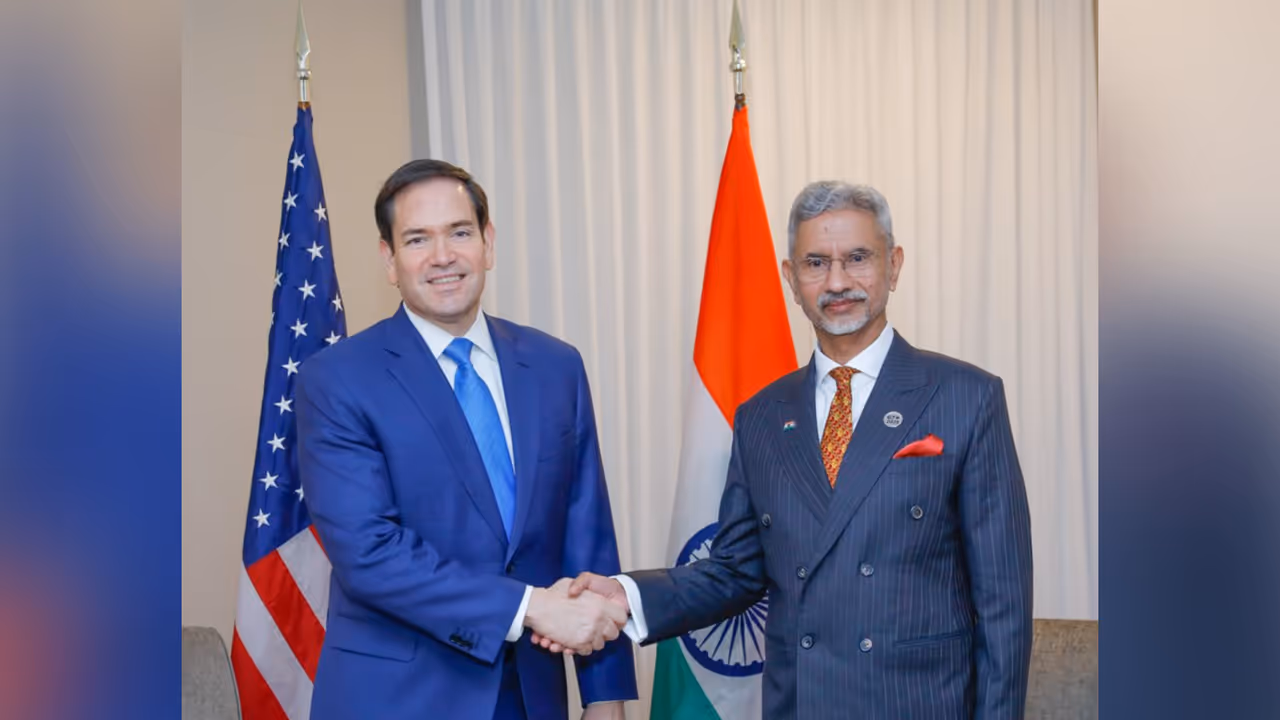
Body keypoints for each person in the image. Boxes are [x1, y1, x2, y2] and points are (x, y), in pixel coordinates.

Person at [544, 181, 1034, 719]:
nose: (838, 282)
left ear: (893, 266)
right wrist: (627, 596)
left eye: (857, 258)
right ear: (790, 278)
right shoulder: (760, 416)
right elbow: (736, 570)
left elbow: (1003, 606)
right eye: (816, 263)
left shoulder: (966, 396)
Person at [296, 159, 636, 720]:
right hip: (398, 699)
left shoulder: (556, 366)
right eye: (416, 239)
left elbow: (588, 540)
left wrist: (606, 697)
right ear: (389, 260)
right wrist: (528, 607)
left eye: (459, 232)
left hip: (532, 696)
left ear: (488, 242)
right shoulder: (335, 380)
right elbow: (369, 553)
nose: (443, 256)